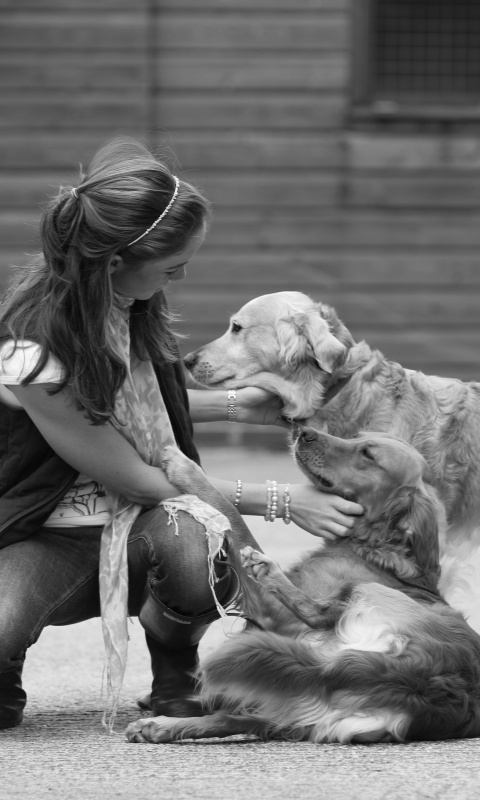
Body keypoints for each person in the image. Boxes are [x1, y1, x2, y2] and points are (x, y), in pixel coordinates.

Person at [0, 138, 363, 730]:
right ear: (114, 261)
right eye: (173, 266)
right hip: (46, 538)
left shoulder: (130, 301)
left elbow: (138, 418)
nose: (183, 275)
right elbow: (138, 476)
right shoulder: (30, 351)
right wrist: (280, 500)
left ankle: (176, 669)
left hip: (143, 531)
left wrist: (239, 407)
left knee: (193, 548)